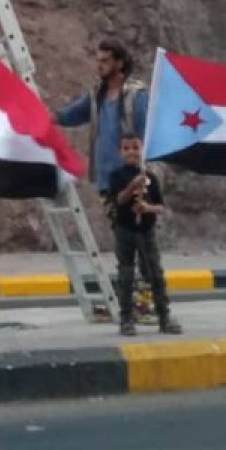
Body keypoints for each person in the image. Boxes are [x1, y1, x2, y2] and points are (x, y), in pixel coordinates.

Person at [56, 37, 154, 322]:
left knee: (141, 242)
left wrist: (146, 176)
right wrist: (44, 117)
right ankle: (127, 301)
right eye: (97, 60)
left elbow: (149, 135)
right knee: (124, 243)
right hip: (109, 183)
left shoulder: (137, 97)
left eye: (105, 61)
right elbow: (71, 115)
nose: (99, 66)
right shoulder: (97, 95)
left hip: (135, 181)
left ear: (119, 63)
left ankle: (146, 302)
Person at [107, 135, 182, 337]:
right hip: (125, 230)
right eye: (126, 148)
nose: (132, 152)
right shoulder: (117, 176)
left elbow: (161, 207)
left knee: (155, 274)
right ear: (120, 152)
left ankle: (164, 316)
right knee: (126, 274)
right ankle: (126, 319)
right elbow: (119, 200)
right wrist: (132, 187)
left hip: (146, 231)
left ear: (142, 150)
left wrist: (147, 207)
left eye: (135, 147)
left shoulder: (151, 177)